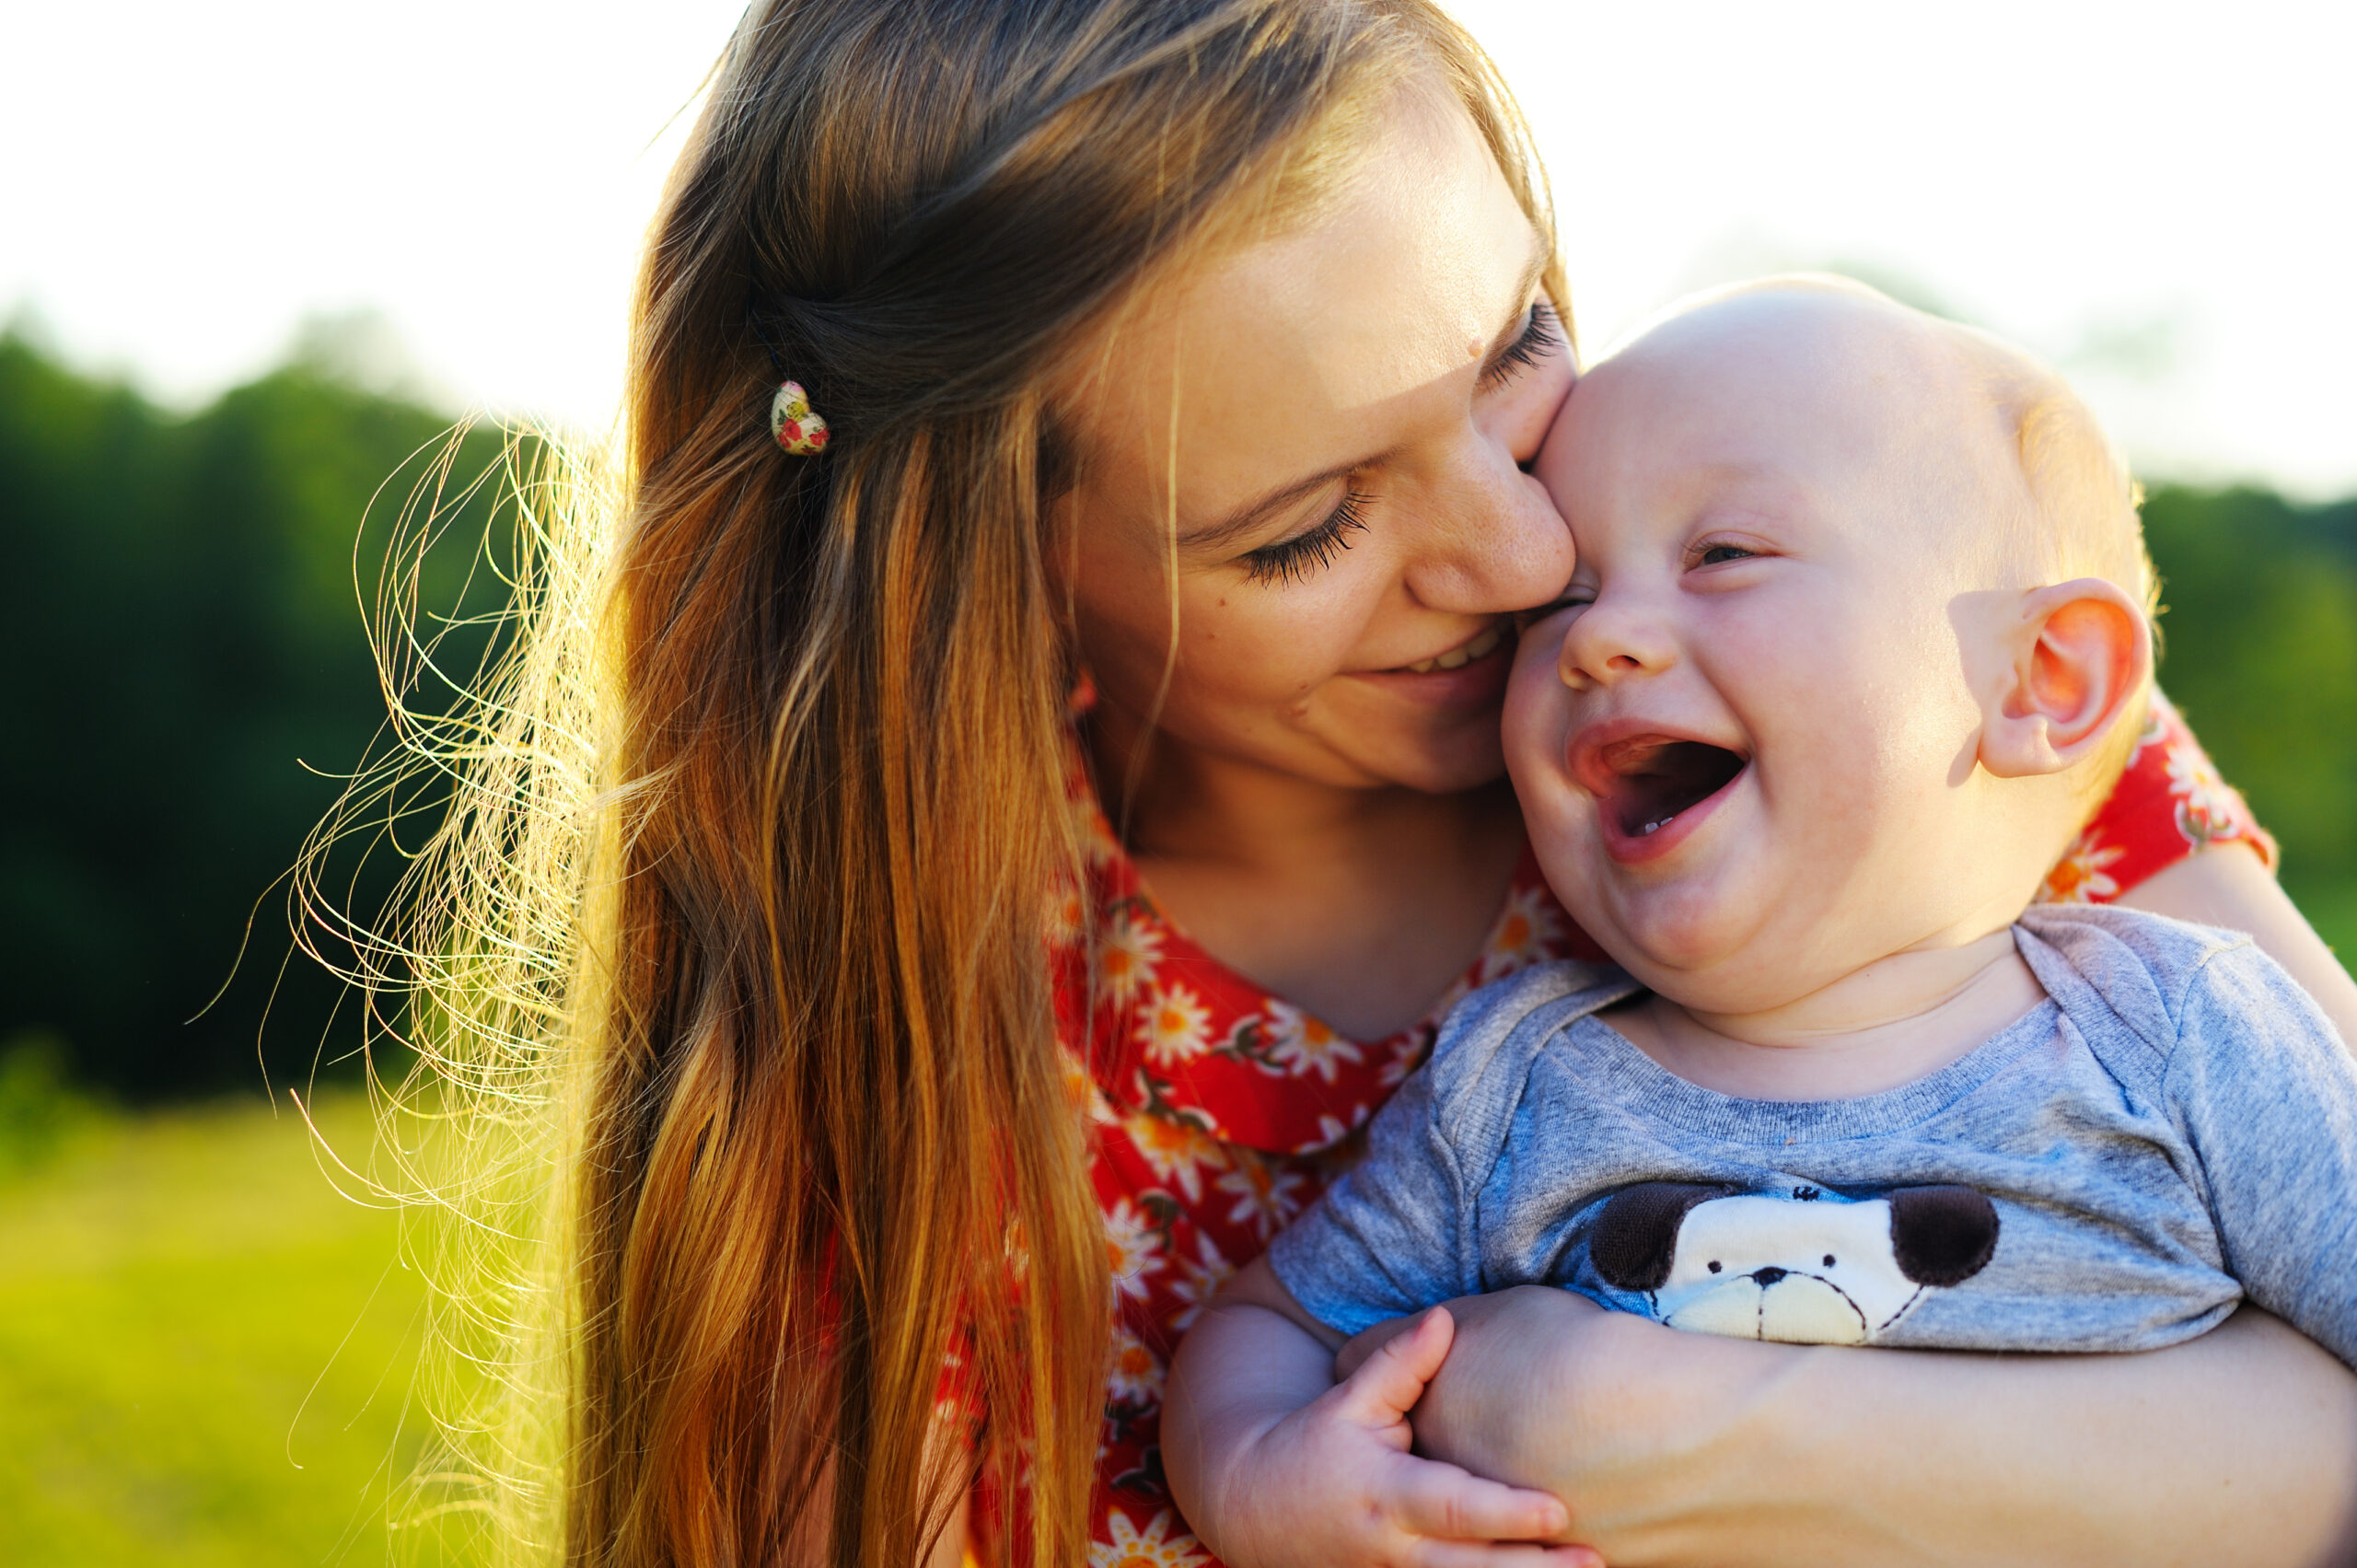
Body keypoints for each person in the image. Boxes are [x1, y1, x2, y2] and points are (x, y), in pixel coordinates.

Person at [389, 2, 2357, 1564]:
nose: (1524, 567)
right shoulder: (895, 1100)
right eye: (1307, 523)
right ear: (986, 583)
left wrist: (1634, 1427)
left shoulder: (1907, 740)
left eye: (1514, 350)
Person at [1160, 280, 2357, 1566]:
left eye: (1723, 556)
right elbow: (1270, 1328)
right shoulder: (1519, 1089)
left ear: (2041, 683)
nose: (1599, 637)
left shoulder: (2184, 1041)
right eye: (1559, 599)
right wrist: (1256, 1475)